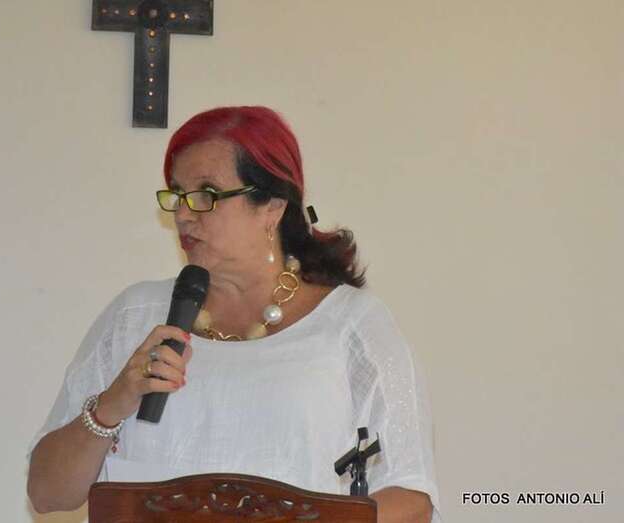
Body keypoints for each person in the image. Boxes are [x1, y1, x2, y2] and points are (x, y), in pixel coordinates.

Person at [27, 106, 441, 522]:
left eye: (206, 194)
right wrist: (112, 405)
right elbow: (46, 493)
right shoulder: (135, 316)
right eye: (178, 195)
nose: (183, 214)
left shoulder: (351, 325)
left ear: (273, 206)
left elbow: (411, 498)